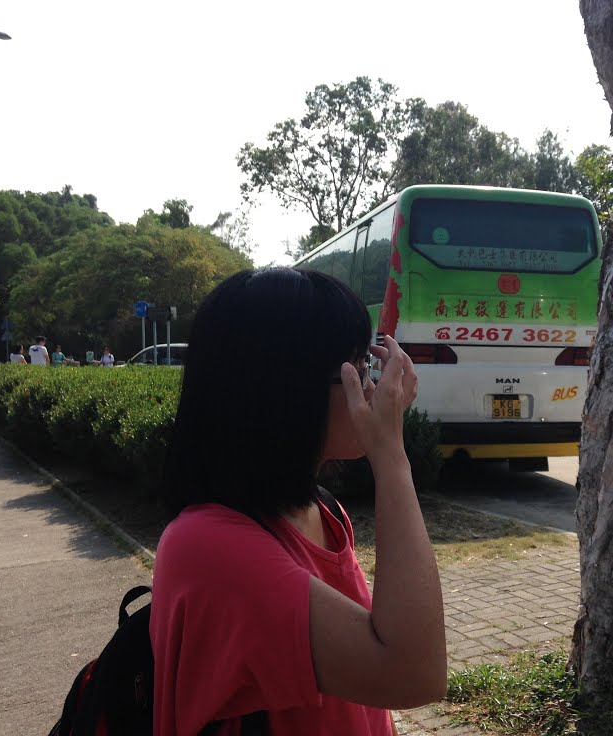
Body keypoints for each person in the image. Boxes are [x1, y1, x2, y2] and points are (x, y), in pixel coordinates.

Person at [151, 268, 445, 736]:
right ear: (284, 389)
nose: (374, 390)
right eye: (357, 370)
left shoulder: (320, 511)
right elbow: (414, 672)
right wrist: (391, 458)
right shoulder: (208, 548)